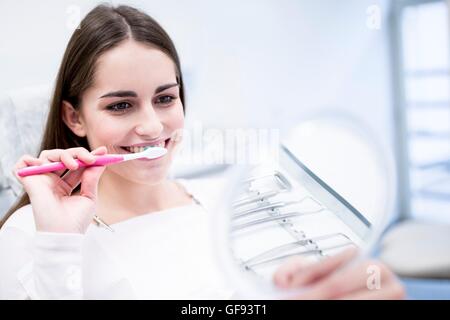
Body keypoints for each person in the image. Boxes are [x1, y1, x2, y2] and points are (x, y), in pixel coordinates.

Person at [0, 4, 404, 300]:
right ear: (75, 118)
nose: (154, 126)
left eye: (165, 98)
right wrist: (59, 242)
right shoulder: (31, 232)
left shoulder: (216, 201)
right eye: (120, 105)